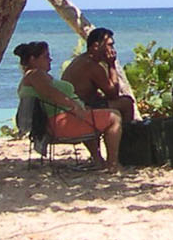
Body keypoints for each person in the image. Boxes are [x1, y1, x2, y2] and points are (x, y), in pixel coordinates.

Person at [15, 41, 123, 172]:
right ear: (33, 59)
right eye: (46, 56)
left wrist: (78, 107)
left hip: (58, 120)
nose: (50, 59)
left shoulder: (33, 77)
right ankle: (112, 163)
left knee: (93, 113)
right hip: (59, 124)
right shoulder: (35, 75)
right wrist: (74, 106)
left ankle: (98, 160)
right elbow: (49, 93)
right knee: (114, 117)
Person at [62, 27, 138, 123]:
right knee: (126, 103)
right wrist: (111, 65)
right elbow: (113, 94)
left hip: (73, 106)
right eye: (110, 45)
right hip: (82, 109)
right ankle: (126, 135)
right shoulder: (92, 66)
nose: (113, 50)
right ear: (96, 46)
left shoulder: (81, 59)